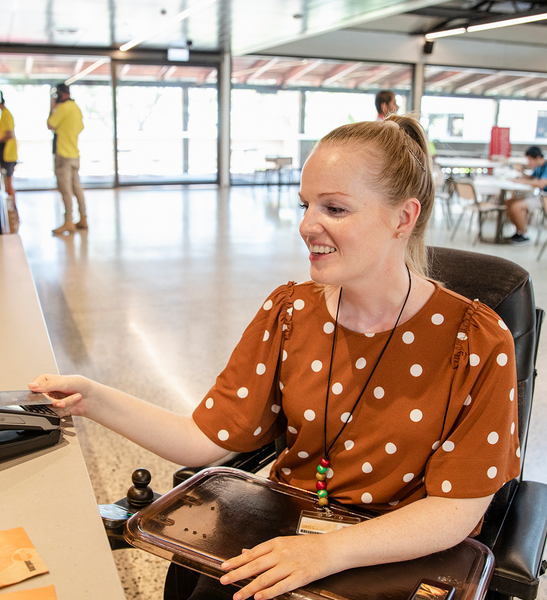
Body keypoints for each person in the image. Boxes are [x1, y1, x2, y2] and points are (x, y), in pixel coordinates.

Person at [29, 116, 520, 600]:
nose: (306, 225)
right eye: (306, 205)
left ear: (403, 218)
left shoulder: (476, 342)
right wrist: (92, 399)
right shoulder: (291, 313)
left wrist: (328, 551)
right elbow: (204, 437)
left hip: (392, 557)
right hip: (285, 537)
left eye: (334, 208)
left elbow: (456, 510)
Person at [47, 83, 87, 235]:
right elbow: (80, 127)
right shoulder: (76, 108)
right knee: (77, 187)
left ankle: (68, 221)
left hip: (63, 154)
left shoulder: (62, 108)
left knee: (65, 189)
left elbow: (50, 124)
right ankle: (83, 217)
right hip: (74, 153)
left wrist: (52, 107)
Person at [505, 146, 547, 245]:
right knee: (509, 202)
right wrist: (522, 173)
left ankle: (524, 235)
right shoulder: (539, 166)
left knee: (516, 206)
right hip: (540, 195)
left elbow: (541, 184)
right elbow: (531, 179)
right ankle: (519, 232)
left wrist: (521, 181)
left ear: (538, 158)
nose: (529, 163)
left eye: (529, 160)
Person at [0, 93, 19, 231]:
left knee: (8, 184)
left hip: (8, 155)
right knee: (7, 184)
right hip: (7, 154)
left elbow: (9, 134)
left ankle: (13, 213)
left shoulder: (6, 114)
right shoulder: (3, 114)